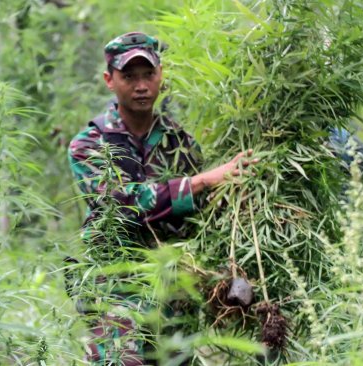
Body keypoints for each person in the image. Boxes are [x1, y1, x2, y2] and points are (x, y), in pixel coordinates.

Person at [68, 32, 258, 365]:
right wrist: (202, 182)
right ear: (109, 80)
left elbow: (203, 215)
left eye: (148, 75)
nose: (141, 85)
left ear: (161, 77)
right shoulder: (89, 144)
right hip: (115, 288)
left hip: (173, 292)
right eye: (129, 76)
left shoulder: (181, 142)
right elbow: (122, 204)